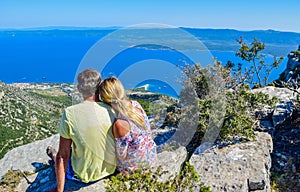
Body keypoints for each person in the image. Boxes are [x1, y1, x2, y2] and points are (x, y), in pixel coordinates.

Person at [46, 69, 116, 192]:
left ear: (79, 89)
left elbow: (63, 155)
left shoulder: (70, 113)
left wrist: (59, 189)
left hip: (83, 176)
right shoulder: (112, 109)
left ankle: (52, 155)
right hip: (110, 170)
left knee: (59, 156)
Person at [98, 76, 157, 173]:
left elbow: (121, 156)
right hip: (151, 158)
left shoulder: (120, 124)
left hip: (135, 168)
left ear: (105, 100)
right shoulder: (135, 104)